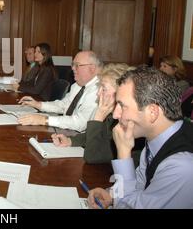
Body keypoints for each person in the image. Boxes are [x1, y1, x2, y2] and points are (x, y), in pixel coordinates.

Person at [87, 66, 193, 209]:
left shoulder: (181, 165)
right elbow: (139, 187)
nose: (115, 115)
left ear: (152, 112)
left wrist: (123, 153)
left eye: (122, 106)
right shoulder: (157, 139)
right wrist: (112, 195)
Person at [51, 63, 142, 165]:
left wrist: (98, 117)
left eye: (103, 89)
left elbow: (92, 156)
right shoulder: (112, 116)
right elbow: (96, 135)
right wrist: (70, 141)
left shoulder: (127, 123)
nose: (98, 94)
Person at [17, 51, 102, 132]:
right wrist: (39, 104)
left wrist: (45, 120)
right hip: (66, 132)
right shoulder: (77, 86)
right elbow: (63, 105)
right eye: (73, 65)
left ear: (92, 68)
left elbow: (80, 123)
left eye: (77, 65)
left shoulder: (99, 90)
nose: (72, 68)